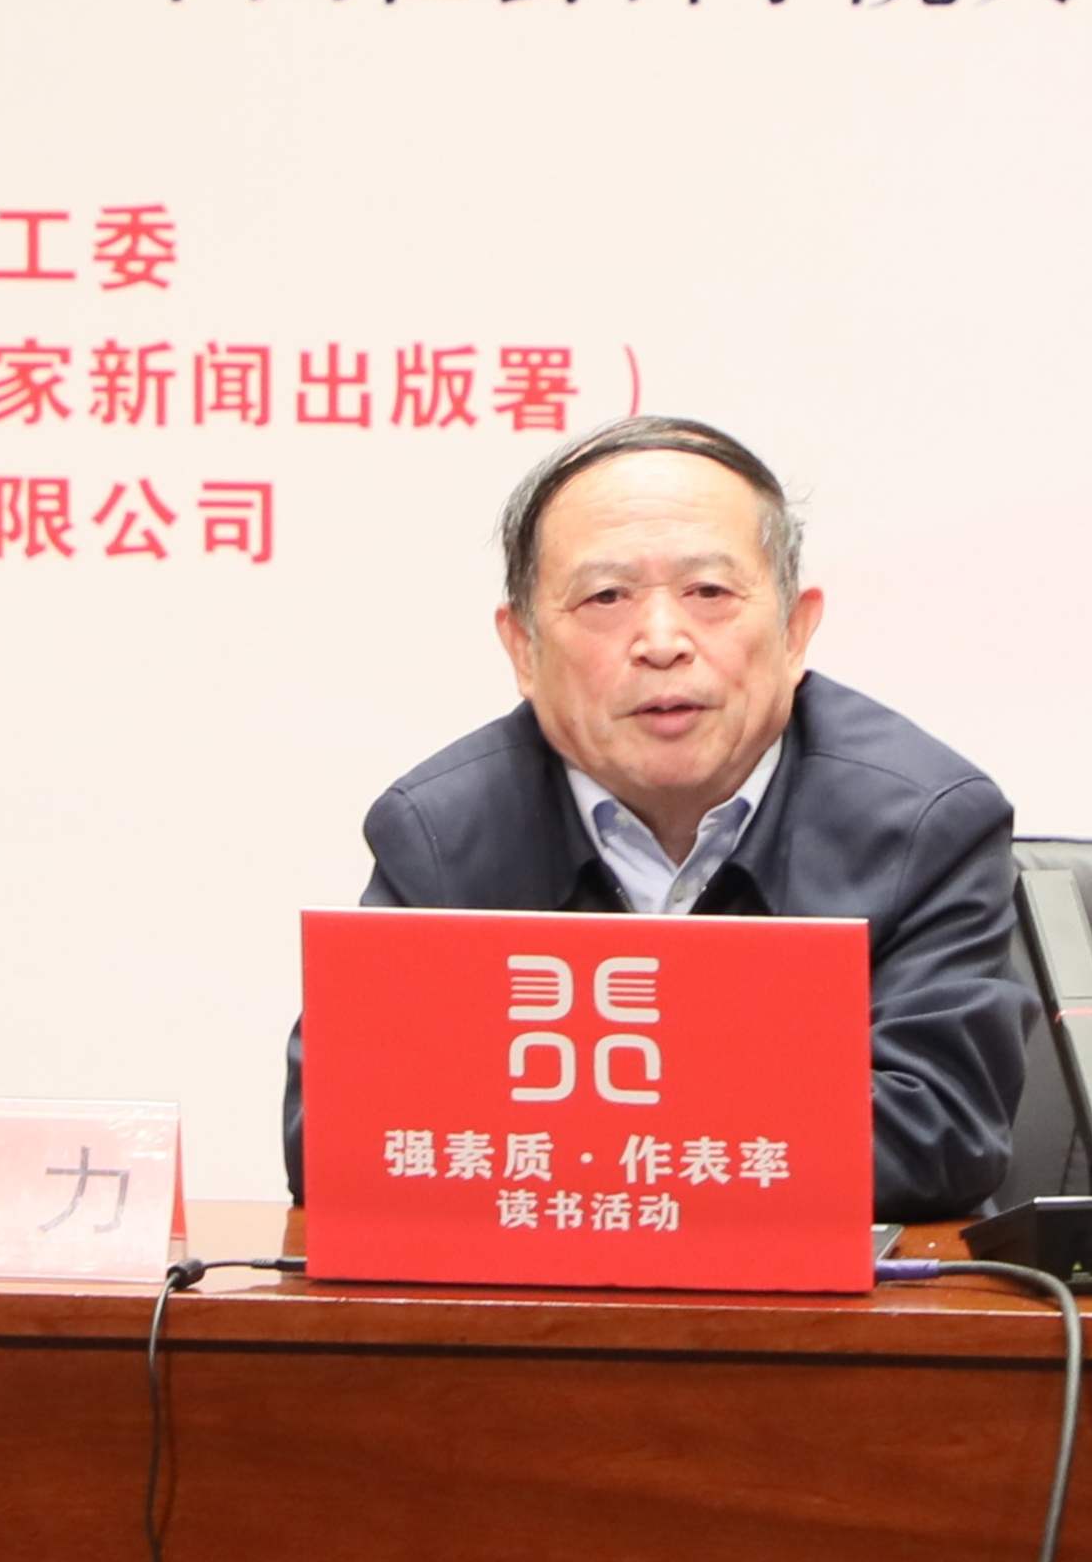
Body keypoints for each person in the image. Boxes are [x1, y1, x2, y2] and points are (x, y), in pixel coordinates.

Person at [282, 417, 1025, 1221]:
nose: (663, 642)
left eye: (710, 593)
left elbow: (941, 1133)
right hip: (536, 1289)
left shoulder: (925, 825)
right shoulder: (440, 832)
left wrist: (569, 1127)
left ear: (794, 631)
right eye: (606, 597)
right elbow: (338, 1139)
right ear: (523, 649)